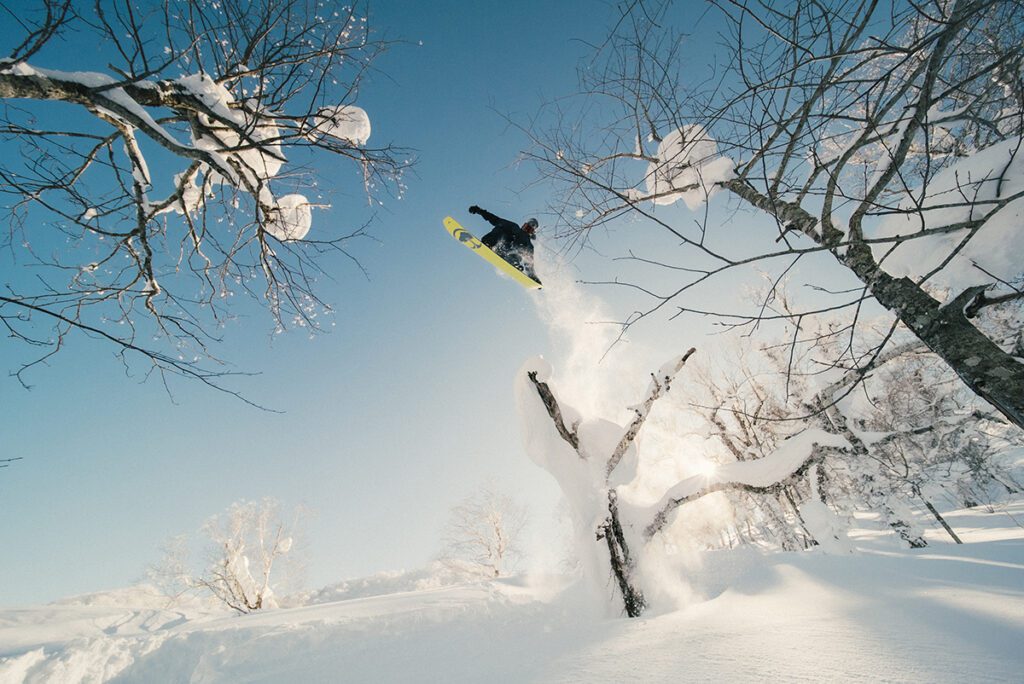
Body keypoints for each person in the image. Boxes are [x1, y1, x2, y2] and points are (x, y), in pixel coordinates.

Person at [468, 205, 540, 283]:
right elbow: (494, 219)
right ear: (523, 225)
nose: (525, 230)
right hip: (495, 245)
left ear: (532, 233)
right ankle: (488, 243)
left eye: (529, 229)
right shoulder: (513, 226)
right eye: (526, 226)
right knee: (503, 227)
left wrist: (533, 277)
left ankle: (513, 262)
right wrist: (479, 211)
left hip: (508, 256)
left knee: (523, 246)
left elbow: (529, 262)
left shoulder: (527, 243)